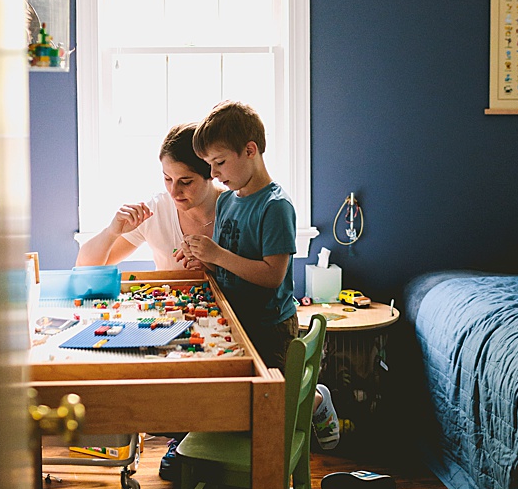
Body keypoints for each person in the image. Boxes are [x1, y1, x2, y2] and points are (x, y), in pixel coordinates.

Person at [182, 100, 339, 450]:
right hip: (235, 319)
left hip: (270, 325)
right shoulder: (226, 201)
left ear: (250, 150)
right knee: (244, 405)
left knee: (274, 407)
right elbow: (229, 262)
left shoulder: (275, 206)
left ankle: (315, 401)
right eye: (209, 165)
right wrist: (204, 260)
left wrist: (218, 254)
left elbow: (272, 275)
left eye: (220, 163)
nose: (214, 174)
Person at [76, 123, 221, 271]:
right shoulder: (155, 211)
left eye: (186, 182)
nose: (174, 192)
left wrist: (214, 267)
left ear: (211, 173)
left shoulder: (237, 207)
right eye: (167, 179)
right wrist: (112, 232)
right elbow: (84, 268)